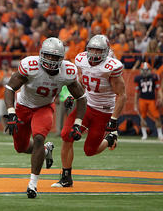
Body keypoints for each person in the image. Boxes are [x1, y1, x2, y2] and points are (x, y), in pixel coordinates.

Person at [4, 37, 87, 198]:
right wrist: (11, 111)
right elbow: (9, 87)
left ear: (61, 58)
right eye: (48, 55)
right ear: (41, 54)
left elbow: (81, 97)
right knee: (20, 147)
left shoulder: (67, 71)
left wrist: (78, 123)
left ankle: (32, 185)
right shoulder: (30, 65)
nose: (51, 60)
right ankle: (45, 150)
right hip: (23, 106)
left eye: (55, 57)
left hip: (44, 107)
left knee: (39, 138)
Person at [51, 35, 127, 188]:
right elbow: (82, 81)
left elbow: (122, 95)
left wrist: (113, 119)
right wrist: (74, 95)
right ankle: (66, 177)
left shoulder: (111, 67)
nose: (94, 53)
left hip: (104, 111)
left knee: (90, 150)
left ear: (105, 52)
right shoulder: (81, 60)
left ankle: (110, 139)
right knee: (66, 136)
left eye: (98, 50)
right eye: (91, 49)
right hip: (85, 106)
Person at [134, 62, 163, 141]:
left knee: (157, 116)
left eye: (147, 70)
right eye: (144, 70)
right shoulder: (138, 78)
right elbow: (136, 92)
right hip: (142, 100)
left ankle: (160, 135)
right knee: (143, 118)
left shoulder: (154, 77)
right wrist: (135, 104)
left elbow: (158, 89)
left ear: (149, 70)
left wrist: (161, 97)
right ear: (141, 70)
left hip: (151, 100)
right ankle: (144, 135)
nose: (145, 72)